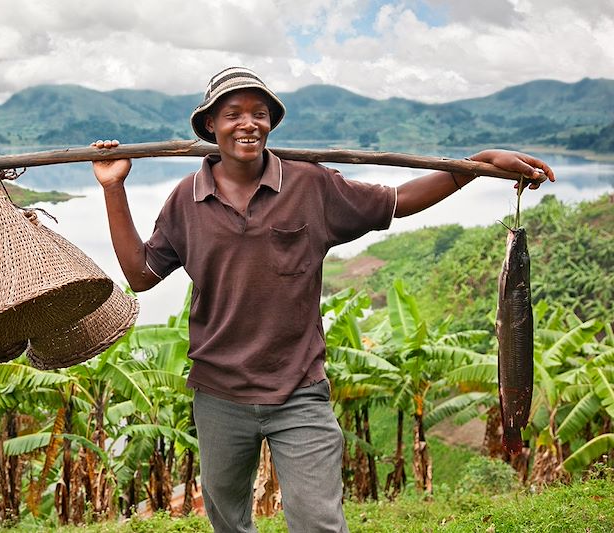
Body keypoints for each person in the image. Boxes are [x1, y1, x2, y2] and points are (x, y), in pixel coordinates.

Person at [91, 66, 555, 533]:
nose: (248, 123)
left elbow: (398, 200)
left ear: (272, 122)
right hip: (219, 395)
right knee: (228, 523)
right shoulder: (184, 202)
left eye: (259, 113)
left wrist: (478, 163)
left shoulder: (311, 185)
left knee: (319, 523)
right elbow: (141, 274)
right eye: (233, 114)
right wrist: (113, 187)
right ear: (210, 124)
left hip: (299, 391)